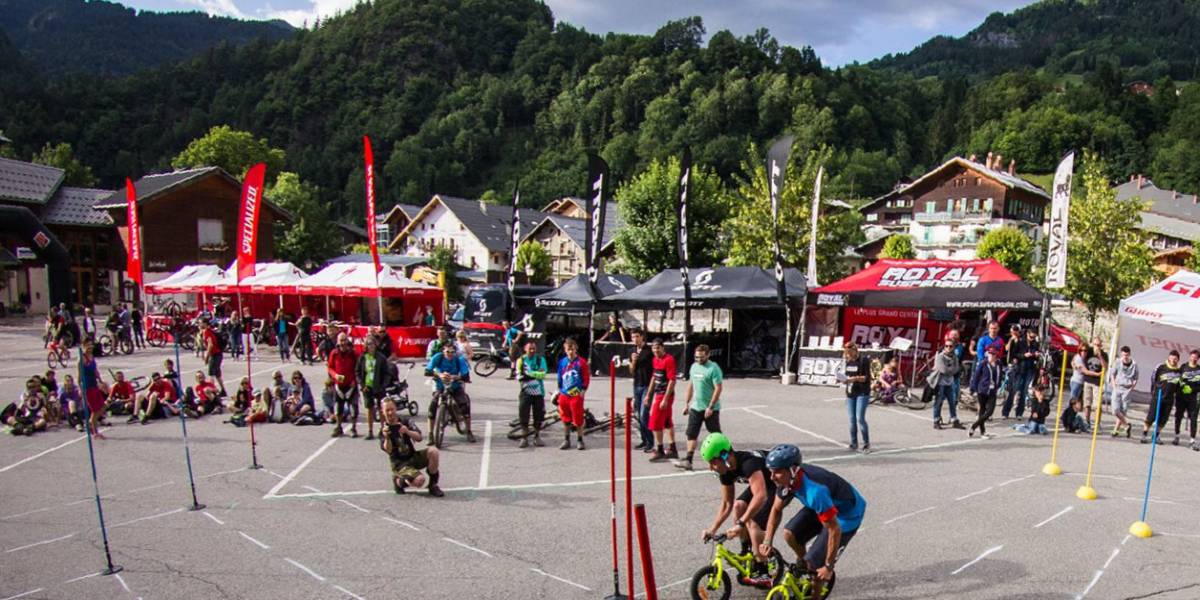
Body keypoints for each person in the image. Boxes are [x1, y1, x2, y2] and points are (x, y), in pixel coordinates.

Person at [759, 444, 866, 596]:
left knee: (816, 569)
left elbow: (834, 529)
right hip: (824, 505)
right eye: (770, 471)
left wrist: (828, 567)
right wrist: (767, 541)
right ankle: (805, 565)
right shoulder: (786, 481)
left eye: (777, 471)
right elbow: (776, 510)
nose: (772, 477)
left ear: (793, 469)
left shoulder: (815, 492)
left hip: (846, 515)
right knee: (789, 534)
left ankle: (814, 582)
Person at [700, 433, 775, 588]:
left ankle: (763, 570)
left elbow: (761, 496)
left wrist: (741, 524)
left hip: (777, 483)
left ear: (724, 455)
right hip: (762, 483)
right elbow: (727, 504)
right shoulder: (726, 470)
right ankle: (747, 551)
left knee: (753, 524)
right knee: (738, 506)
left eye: (713, 462)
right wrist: (712, 529)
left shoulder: (748, 464)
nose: (710, 467)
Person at [381, 397, 443, 497]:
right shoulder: (384, 429)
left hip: (412, 456)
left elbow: (419, 438)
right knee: (419, 480)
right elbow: (388, 450)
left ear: (396, 408)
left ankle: (433, 484)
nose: (390, 413)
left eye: (392, 409)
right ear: (383, 412)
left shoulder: (405, 421)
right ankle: (398, 482)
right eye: (387, 410)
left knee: (433, 451)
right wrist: (387, 437)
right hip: (400, 464)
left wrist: (407, 431)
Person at [674, 344, 724, 470]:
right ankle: (688, 460)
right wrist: (686, 403)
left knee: (715, 435)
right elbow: (691, 385)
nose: (699, 359)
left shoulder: (713, 368)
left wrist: (711, 407)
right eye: (696, 357)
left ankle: (725, 458)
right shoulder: (694, 367)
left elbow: (718, 388)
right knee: (691, 433)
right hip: (696, 407)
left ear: (708, 355)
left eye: (701, 357)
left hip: (711, 408)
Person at [426, 342, 475, 443]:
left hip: (455, 386)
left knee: (464, 406)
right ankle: (430, 434)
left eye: (452, 352)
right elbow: (427, 371)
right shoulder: (438, 357)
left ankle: (469, 431)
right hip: (440, 386)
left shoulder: (459, 359)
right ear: (443, 351)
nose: (450, 354)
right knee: (432, 406)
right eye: (447, 351)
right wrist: (439, 375)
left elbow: (466, 375)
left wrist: (456, 377)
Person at [556, 337, 590, 450]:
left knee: (578, 419)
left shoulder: (581, 362)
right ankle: (566, 439)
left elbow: (586, 377)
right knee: (565, 418)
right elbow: (559, 376)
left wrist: (583, 390)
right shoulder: (562, 362)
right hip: (564, 394)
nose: (570, 352)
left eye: (572, 349)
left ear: (576, 349)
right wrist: (559, 389)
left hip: (576, 395)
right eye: (568, 349)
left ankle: (580, 440)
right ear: (565, 349)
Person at [356, 337, 392, 440]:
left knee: (381, 409)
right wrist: (362, 385)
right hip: (367, 386)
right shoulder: (363, 357)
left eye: (372, 344)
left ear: (376, 345)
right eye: (368, 344)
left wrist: (383, 385)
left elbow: (387, 373)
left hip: (379, 386)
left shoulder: (381, 357)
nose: (370, 346)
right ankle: (370, 431)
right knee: (369, 408)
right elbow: (357, 371)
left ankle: (383, 429)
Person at [647, 339, 677, 461]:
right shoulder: (655, 360)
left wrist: (665, 399)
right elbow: (654, 377)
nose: (656, 350)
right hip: (658, 393)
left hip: (664, 395)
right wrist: (648, 395)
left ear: (663, 347)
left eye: (658, 348)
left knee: (655, 423)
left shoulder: (668, 360)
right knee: (667, 422)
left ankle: (660, 450)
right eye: (653, 348)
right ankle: (673, 448)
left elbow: (672, 380)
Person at [514, 340, 548, 448]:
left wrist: (529, 374)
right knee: (524, 415)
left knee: (538, 416)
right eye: (530, 349)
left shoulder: (540, 359)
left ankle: (537, 437)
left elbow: (543, 374)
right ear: (525, 349)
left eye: (534, 348)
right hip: (525, 392)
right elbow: (519, 376)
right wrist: (535, 374)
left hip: (539, 393)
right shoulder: (520, 360)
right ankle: (524, 437)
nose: (532, 350)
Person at [327, 333, 360, 438]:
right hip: (339, 385)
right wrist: (335, 375)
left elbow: (358, 368)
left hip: (351, 385)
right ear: (338, 342)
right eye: (341, 340)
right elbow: (330, 367)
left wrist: (355, 380)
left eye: (344, 340)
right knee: (338, 408)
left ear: (347, 340)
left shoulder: (353, 354)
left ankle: (353, 428)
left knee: (353, 408)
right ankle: (338, 427)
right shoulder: (334, 353)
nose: (343, 343)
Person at [841, 342, 871, 452]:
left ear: (854, 350)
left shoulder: (863, 360)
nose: (848, 354)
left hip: (862, 392)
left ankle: (866, 443)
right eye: (846, 353)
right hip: (850, 392)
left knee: (860, 418)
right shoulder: (848, 361)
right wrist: (844, 380)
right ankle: (854, 443)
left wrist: (854, 379)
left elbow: (866, 377)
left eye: (849, 352)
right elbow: (846, 376)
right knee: (852, 419)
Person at [1002, 328, 1039, 419]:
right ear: (1027, 334)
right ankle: (1005, 412)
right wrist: (1024, 355)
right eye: (1031, 337)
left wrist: (1036, 355)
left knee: (1024, 392)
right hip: (1019, 369)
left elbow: (1036, 356)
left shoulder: (1035, 344)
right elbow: (1014, 354)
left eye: (1034, 337)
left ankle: (1019, 413)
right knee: (1014, 390)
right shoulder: (1020, 342)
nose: (1032, 339)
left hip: (1030, 369)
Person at [629, 328, 655, 452]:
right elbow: (631, 371)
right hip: (637, 385)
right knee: (638, 415)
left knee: (644, 414)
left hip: (647, 385)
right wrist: (633, 361)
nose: (635, 339)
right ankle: (644, 440)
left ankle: (650, 441)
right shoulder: (633, 351)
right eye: (633, 337)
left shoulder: (649, 351)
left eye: (637, 336)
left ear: (642, 337)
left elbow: (655, 370)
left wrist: (651, 390)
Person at [929, 338, 964, 430]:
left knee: (952, 402)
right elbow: (942, 369)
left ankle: (954, 420)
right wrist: (951, 370)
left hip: (950, 382)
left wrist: (950, 370)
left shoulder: (955, 357)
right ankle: (936, 421)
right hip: (940, 382)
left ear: (953, 347)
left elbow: (956, 369)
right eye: (946, 346)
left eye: (950, 346)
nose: (948, 348)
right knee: (938, 402)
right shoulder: (940, 356)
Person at [968, 348, 1003, 438]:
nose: (991, 355)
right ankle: (982, 431)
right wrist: (973, 389)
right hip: (982, 390)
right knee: (982, 410)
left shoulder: (999, 364)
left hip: (993, 390)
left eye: (993, 354)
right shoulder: (983, 363)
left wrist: (998, 386)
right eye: (990, 353)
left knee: (990, 411)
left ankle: (974, 426)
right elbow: (976, 376)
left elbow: (1000, 376)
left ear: (996, 355)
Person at [1108, 346, 1139, 438]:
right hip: (1118, 387)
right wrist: (1114, 385)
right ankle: (1126, 425)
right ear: (1122, 354)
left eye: (1127, 355)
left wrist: (1132, 387)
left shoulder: (1134, 364)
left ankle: (1116, 430)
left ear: (1129, 354)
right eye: (1124, 355)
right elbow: (1112, 374)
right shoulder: (1117, 362)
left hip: (1127, 389)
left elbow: (1136, 377)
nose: (1125, 357)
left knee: (1123, 411)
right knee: (1115, 410)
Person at [1173, 349, 1200, 450]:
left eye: (1195, 357)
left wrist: (1193, 389)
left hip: (1193, 398)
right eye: (1192, 356)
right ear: (1189, 357)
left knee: (1193, 418)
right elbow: (1177, 379)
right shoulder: (1183, 367)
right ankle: (1176, 436)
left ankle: (1192, 440)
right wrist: (1182, 386)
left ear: (1198, 359)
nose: (1193, 359)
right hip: (1181, 397)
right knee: (1178, 416)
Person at [79, 343, 107, 438]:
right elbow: (79, 376)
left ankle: (91, 422)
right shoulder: (82, 359)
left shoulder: (92, 357)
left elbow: (95, 370)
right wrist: (80, 388)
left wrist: (101, 381)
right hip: (88, 386)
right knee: (95, 410)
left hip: (94, 384)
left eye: (91, 347)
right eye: (88, 347)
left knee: (102, 407)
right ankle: (95, 431)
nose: (90, 349)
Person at [1079, 337, 1107, 425]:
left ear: (1101, 346)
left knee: (1097, 405)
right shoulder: (1089, 351)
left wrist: (1100, 356)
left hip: (1097, 383)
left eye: (1098, 345)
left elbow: (1105, 367)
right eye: (1095, 344)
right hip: (1088, 380)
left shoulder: (1104, 354)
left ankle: (1097, 423)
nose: (1096, 347)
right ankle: (1087, 421)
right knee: (1087, 403)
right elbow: (1081, 354)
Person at [200, 319, 225, 397]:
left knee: (211, 374)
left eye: (201, 323)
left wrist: (207, 357)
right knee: (217, 374)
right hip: (218, 354)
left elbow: (210, 345)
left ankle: (213, 392)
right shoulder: (209, 331)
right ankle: (223, 390)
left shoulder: (207, 332)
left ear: (205, 323)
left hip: (215, 355)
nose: (199, 324)